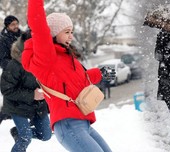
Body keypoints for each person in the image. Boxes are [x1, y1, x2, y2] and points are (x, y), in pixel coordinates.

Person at [22, 0, 113, 151]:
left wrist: (100, 73)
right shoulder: (46, 57)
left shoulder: (66, 56)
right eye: (66, 32)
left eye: (71, 32)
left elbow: (81, 80)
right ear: (53, 33)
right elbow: (38, 25)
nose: (71, 36)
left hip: (82, 122)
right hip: (69, 124)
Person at [1, 32, 52, 152]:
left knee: (46, 135)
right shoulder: (14, 65)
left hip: (37, 106)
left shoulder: (43, 60)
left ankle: (16, 131)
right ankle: (22, 134)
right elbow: (6, 89)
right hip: (17, 106)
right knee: (25, 138)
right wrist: (32, 95)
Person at [0, 15, 21, 133]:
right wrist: (16, 64)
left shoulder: (21, 35)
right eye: (13, 24)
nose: (16, 26)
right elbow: (2, 60)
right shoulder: (2, 39)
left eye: (17, 23)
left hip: (23, 74)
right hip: (10, 76)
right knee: (9, 102)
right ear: (7, 26)